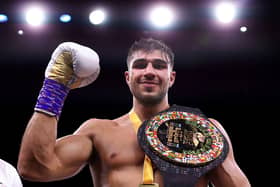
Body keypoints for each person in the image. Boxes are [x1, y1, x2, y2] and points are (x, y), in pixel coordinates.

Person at [17, 38, 250, 187]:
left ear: (171, 77)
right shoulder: (99, 131)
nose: (149, 71)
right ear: (128, 78)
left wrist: (209, 151)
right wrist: (55, 86)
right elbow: (36, 167)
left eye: (159, 66)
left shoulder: (204, 131)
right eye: (140, 65)